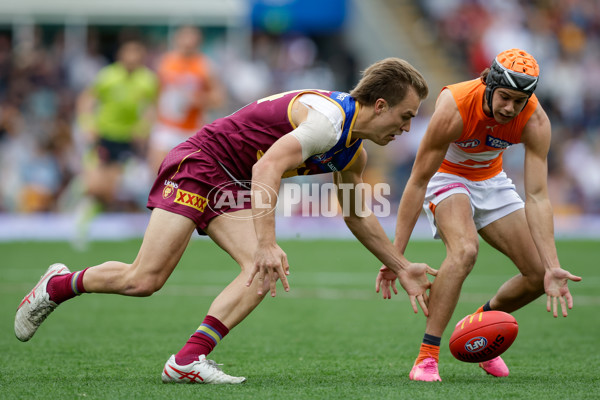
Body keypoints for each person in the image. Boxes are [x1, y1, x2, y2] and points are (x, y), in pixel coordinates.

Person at [16, 57, 437, 384]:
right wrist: (268, 241)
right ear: (380, 105)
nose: (407, 127)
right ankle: (56, 285)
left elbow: (356, 212)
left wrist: (401, 266)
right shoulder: (328, 122)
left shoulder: (352, 152)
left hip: (230, 181)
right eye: (406, 115)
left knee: (261, 268)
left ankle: (186, 361)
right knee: (144, 280)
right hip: (200, 164)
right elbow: (266, 169)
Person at [375, 49, 582, 382]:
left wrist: (554, 263)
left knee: (538, 274)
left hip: (492, 179)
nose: (510, 108)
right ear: (488, 82)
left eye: (519, 101)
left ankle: (477, 329)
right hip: (446, 176)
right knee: (465, 250)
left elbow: (538, 196)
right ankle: (427, 357)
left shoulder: (535, 119)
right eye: (504, 97)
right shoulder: (454, 106)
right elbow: (416, 182)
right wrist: (395, 256)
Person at [73, 40, 158, 246]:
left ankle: (83, 223)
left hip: (125, 140)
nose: (132, 59)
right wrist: (87, 124)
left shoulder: (147, 80)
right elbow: (86, 100)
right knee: (95, 186)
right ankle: (76, 198)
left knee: (107, 191)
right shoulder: (108, 76)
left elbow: (150, 108)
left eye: (136, 55)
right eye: (129, 54)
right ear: (121, 56)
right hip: (104, 135)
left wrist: (143, 129)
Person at [147, 25, 226, 173]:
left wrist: (197, 99)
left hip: (191, 130)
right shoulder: (165, 62)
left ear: (198, 41)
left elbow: (219, 98)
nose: (187, 42)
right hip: (166, 127)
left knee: (186, 176)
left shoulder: (205, 65)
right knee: (158, 173)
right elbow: (155, 93)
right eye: (184, 38)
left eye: (192, 38)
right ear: (177, 39)